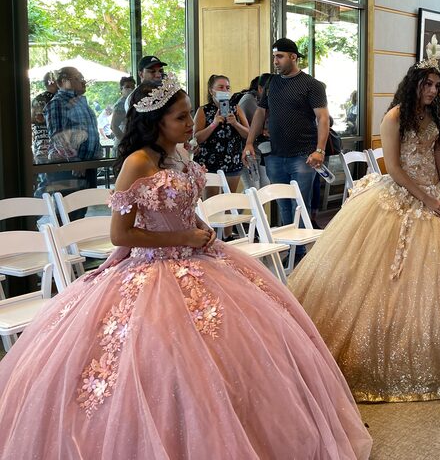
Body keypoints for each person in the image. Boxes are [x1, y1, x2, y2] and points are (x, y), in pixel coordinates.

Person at [0, 76, 372, 459]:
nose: (188, 123)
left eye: (187, 114)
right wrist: (181, 239)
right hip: (151, 267)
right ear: (157, 121)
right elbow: (121, 235)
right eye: (180, 117)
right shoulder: (137, 162)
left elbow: (180, 207)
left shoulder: (179, 154)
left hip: (197, 256)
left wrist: (197, 226)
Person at [288, 56, 440, 402]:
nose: (432, 91)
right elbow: (396, 168)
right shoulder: (395, 117)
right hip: (402, 193)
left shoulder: (434, 116)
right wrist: (428, 201)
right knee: (392, 277)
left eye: (436, 86)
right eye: (427, 85)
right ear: (413, 84)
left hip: (438, 191)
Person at [244, 39, 329, 241]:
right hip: (275, 155)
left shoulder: (311, 85)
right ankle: (291, 249)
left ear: (293, 57)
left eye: (280, 56)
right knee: (283, 205)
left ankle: (300, 253)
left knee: (300, 205)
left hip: (303, 155)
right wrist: (249, 141)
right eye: (274, 56)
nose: (275, 61)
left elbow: (323, 118)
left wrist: (320, 150)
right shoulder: (271, 83)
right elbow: (260, 113)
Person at [43, 66, 102, 200]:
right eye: (79, 78)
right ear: (64, 81)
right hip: (70, 169)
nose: (83, 82)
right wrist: (75, 162)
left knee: (82, 210)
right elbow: (57, 136)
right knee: (69, 212)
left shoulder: (80, 102)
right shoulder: (58, 104)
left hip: (86, 166)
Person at [194, 74, 250, 194]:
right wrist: (213, 124)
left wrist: (235, 123)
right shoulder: (203, 110)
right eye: (220, 87)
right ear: (211, 90)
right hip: (209, 162)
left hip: (232, 162)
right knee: (212, 203)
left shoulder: (236, 109)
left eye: (227, 88)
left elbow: (248, 134)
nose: (225, 90)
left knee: (230, 202)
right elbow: (197, 138)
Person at [237, 73, 272, 190]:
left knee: (264, 186)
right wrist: (264, 130)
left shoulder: (266, 101)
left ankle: (239, 209)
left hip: (260, 151)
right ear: (260, 89)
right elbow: (256, 124)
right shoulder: (249, 100)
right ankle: (235, 208)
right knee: (253, 189)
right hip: (247, 151)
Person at [110, 75, 136, 148]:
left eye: (133, 87)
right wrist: (125, 143)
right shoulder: (121, 104)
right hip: (123, 145)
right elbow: (113, 126)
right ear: (121, 89)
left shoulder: (131, 102)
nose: (131, 89)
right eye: (127, 87)